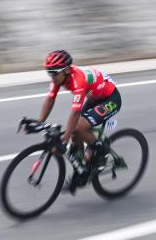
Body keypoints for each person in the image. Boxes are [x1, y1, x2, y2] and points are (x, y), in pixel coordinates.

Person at [35, 49, 121, 192]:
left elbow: (75, 113)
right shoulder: (59, 77)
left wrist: (64, 140)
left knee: (79, 127)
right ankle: (80, 169)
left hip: (110, 98)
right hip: (95, 97)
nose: (52, 76)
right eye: (49, 72)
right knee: (74, 132)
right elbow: (50, 99)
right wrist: (39, 123)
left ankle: (101, 151)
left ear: (67, 70)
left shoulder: (78, 80)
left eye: (54, 73)